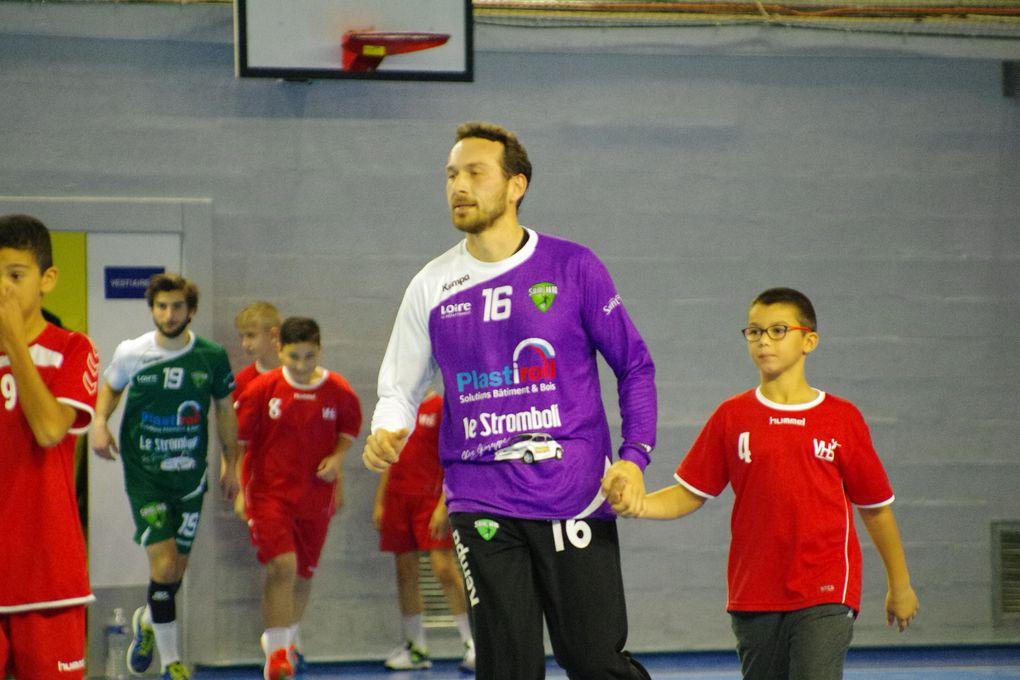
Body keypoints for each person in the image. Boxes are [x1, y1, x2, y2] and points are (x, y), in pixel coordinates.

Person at [362, 122, 657, 680]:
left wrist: (634, 457)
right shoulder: (431, 284)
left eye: (475, 173)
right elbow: (399, 384)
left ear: (516, 185)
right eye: (451, 175)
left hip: (574, 496)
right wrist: (387, 427)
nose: (459, 187)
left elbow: (634, 365)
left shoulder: (574, 266)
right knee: (506, 669)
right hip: (481, 499)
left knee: (594, 663)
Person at [608, 287, 920, 680]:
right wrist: (639, 504)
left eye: (777, 330)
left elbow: (875, 509)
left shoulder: (842, 419)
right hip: (753, 594)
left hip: (825, 590)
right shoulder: (731, 416)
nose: (763, 341)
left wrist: (900, 584)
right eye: (754, 332)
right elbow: (690, 494)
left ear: (809, 340)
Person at [91, 273, 240, 680]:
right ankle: (172, 662)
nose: (169, 314)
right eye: (161, 306)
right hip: (146, 475)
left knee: (175, 571)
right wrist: (100, 422)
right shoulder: (132, 352)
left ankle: (146, 620)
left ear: (190, 311)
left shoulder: (210, 356)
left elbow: (226, 410)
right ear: (152, 308)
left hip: (190, 476)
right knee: (163, 562)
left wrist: (232, 462)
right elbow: (111, 386)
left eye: (177, 307)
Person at [235, 316, 362, 680]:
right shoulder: (262, 389)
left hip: (315, 495)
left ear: (320, 350)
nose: (302, 365)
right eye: (294, 357)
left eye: (309, 356)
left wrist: (337, 461)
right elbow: (241, 444)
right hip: (269, 494)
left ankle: (284, 640)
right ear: (279, 350)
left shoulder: (338, 389)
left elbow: (348, 430)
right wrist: (240, 489)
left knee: (304, 573)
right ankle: (276, 656)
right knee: (282, 567)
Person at [0, 214, 99, 679]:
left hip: (47, 578)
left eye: (15, 276)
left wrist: (12, 342)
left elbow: (48, 430)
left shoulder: (73, 349)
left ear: (47, 280)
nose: (3, 289)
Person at [373, 390, 475, 672]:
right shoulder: (395, 408)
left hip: (430, 500)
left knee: (444, 568)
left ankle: (473, 643)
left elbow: (455, 458)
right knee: (405, 572)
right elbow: (386, 453)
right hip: (398, 498)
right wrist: (381, 500)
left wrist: (445, 505)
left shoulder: (443, 406)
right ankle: (416, 648)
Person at [232, 301, 283, 520]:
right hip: (260, 480)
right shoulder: (243, 381)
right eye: (242, 336)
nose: (245, 344)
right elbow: (236, 441)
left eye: (251, 336)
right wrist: (240, 488)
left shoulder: (300, 375)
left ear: (273, 335)